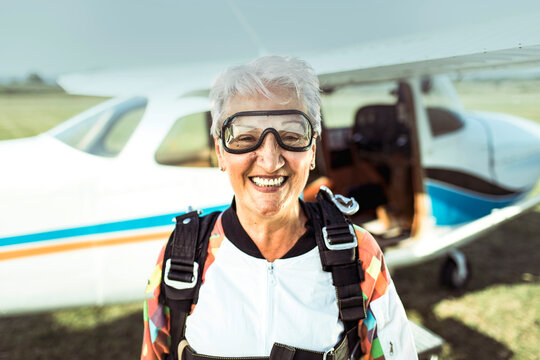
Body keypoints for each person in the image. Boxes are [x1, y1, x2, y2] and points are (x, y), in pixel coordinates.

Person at [141, 55, 417, 360]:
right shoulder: (181, 256)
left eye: (291, 136)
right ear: (220, 152)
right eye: (245, 137)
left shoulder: (359, 256)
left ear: (312, 150)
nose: (270, 161)